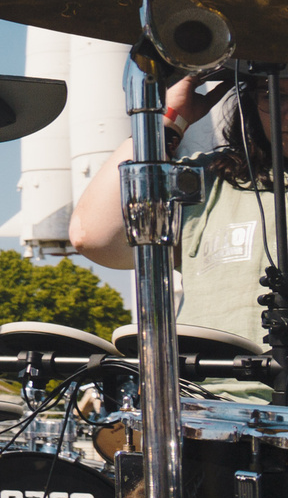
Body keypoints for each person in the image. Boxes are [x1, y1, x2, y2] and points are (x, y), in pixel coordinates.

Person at [69, 73, 284, 398]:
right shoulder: (213, 178)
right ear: (251, 103)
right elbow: (95, 237)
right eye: (272, 95)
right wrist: (169, 120)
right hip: (208, 413)